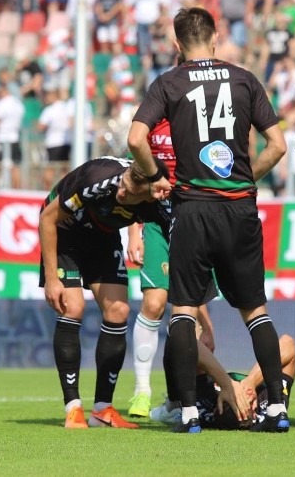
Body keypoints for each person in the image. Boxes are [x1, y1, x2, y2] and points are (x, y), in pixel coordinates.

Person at [128, 7, 289, 434]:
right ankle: (276, 410)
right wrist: (245, 179)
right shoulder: (244, 78)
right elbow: (277, 145)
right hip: (238, 208)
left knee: (182, 311)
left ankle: (187, 412)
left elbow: (134, 139)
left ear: (177, 45)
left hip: (192, 207)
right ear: (216, 38)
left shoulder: (169, 82)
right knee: (255, 311)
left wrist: (155, 175)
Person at [38, 157, 170, 429]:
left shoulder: (158, 202)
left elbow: (182, 236)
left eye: (129, 192)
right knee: (73, 307)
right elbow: (48, 219)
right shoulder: (98, 182)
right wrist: (52, 278)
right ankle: (73, 408)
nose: (121, 192)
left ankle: (102, 409)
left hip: (102, 234)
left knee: (118, 311)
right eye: (124, 185)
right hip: (65, 231)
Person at [125, 117, 177, 418]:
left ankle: (177, 399)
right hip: (157, 221)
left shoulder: (203, 114)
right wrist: (134, 232)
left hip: (194, 221)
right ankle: (141, 391)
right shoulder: (150, 118)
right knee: (154, 303)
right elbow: (135, 174)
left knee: (191, 313)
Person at [150, 332, 295, 431]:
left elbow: (186, 340)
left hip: (203, 389)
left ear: (215, 409)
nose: (238, 394)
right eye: (241, 398)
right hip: (256, 387)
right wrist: (251, 382)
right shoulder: (266, 407)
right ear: (253, 412)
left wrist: (225, 383)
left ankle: (172, 404)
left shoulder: (204, 405)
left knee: (182, 338)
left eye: (233, 398)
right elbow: (288, 343)